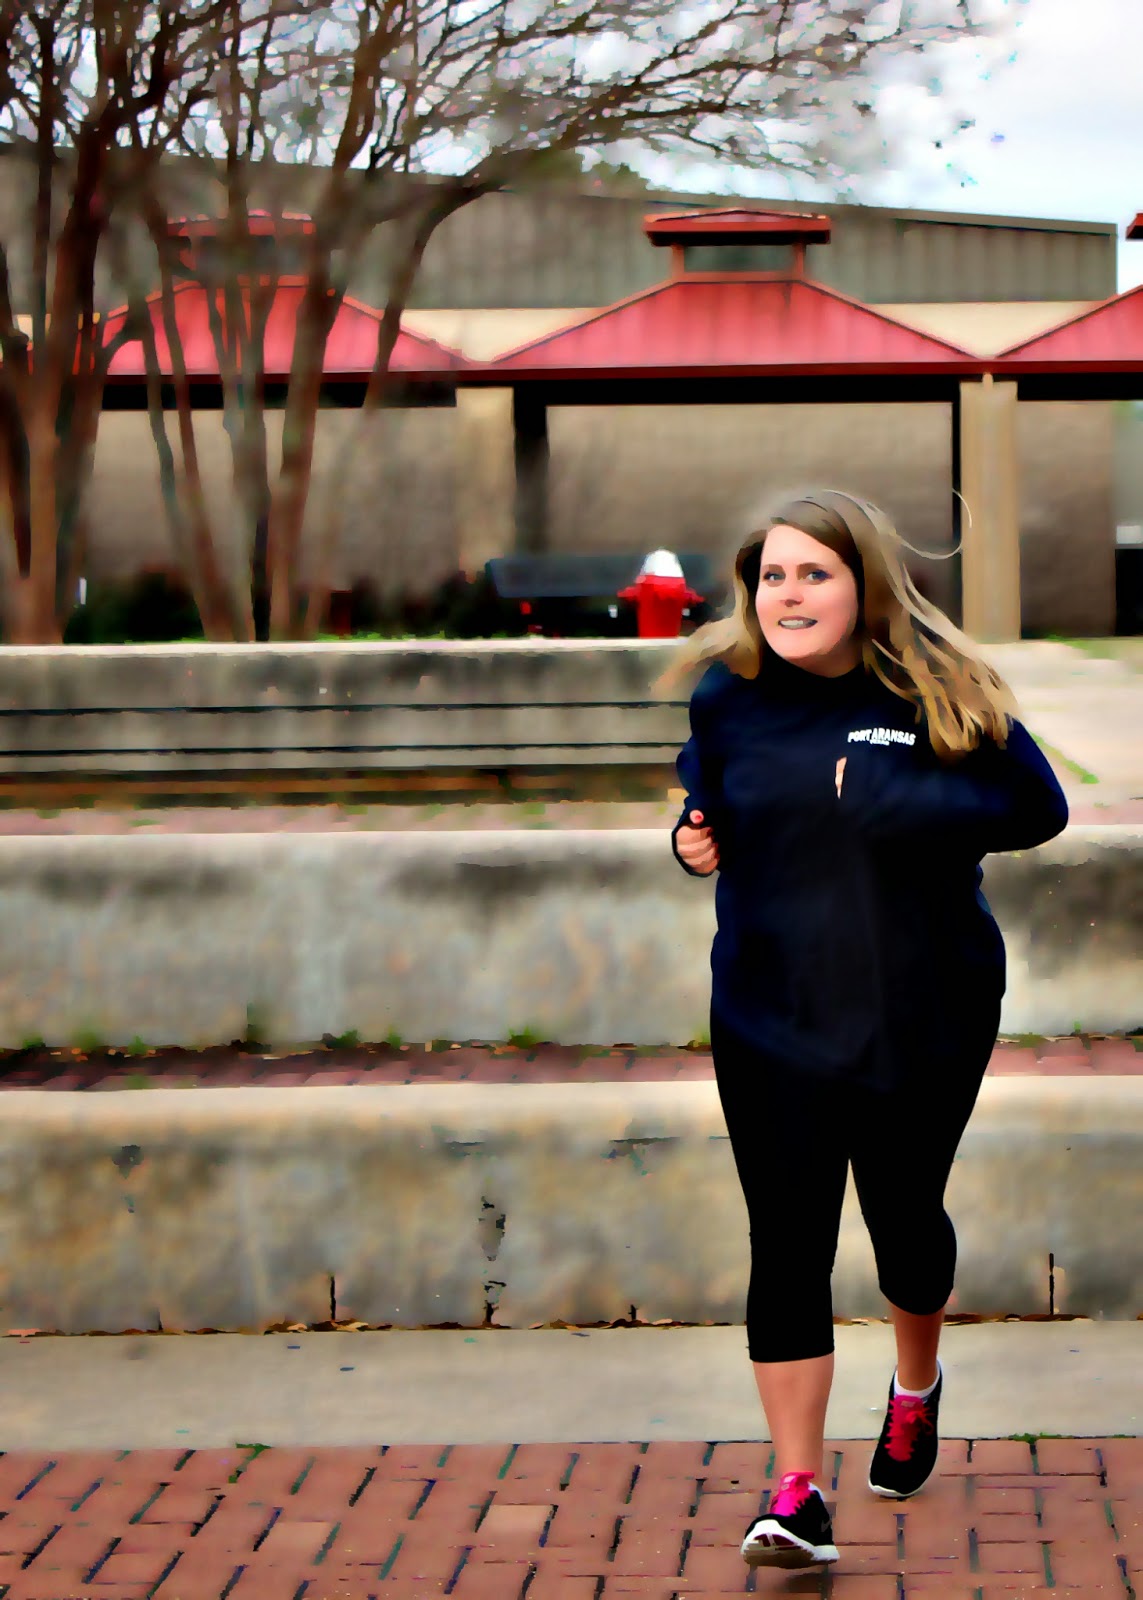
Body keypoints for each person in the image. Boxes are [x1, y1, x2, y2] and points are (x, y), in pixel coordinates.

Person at [661, 490, 1068, 1572]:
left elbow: (1038, 809)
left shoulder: (932, 688)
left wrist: (905, 800)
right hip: (769, 1010)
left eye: (815, 574)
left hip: (920, 1010)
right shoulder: (729, 695)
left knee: (904, 1223)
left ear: (863, 585)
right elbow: (710, 800)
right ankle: (796, 1492)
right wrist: (690, 837)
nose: (789, 595)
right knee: (786, 1241)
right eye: (773, 577)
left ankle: (916, 1382)